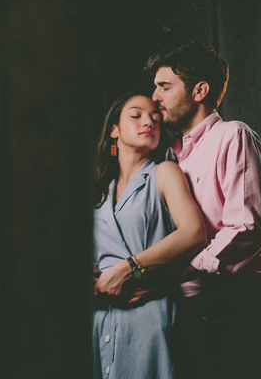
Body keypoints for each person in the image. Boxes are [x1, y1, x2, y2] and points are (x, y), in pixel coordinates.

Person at [146, 42, 261, 379]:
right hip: (183, 309)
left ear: (199, 90)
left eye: (165, 87)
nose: (154, 97)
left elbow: (246, 228)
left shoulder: (233, 136)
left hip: (229, 309)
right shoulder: (171, 158)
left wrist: (185, 270)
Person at [92, 93, 206, 379]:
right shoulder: (97, 189)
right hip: (98, 317)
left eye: (156, 118)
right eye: (136, 115)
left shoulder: (163, 173)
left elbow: (193, 232)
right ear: (114, 130)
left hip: (148, 315)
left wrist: (128, 268)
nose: (149, 122)